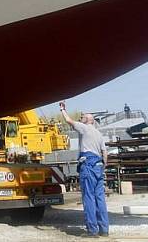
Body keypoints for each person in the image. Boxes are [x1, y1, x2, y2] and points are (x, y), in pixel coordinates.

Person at [60, 101, 109, 237]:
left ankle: (92, 230)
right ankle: (104, 230)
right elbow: (105, 153)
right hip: (98, 165)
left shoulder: (84, 128)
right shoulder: (99, 134)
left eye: (82, 117)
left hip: (88, 165)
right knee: (100, 198)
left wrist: (62, 109)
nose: (80, 118)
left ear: (87, 120)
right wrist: (103, 167)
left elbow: (68, 120)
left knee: (88, 198)